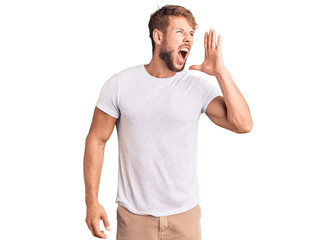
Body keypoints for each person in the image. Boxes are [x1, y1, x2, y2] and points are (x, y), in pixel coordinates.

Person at [83, 4, 252, 240]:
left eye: (192, 33)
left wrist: (221, 73)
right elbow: (96, 140)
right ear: (158, 36)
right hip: (134, 219)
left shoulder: (196, 88)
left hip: (185, 218)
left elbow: (243, 124)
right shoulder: (120, 85)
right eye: (180, 32)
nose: (189, 40)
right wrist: (92, 202)